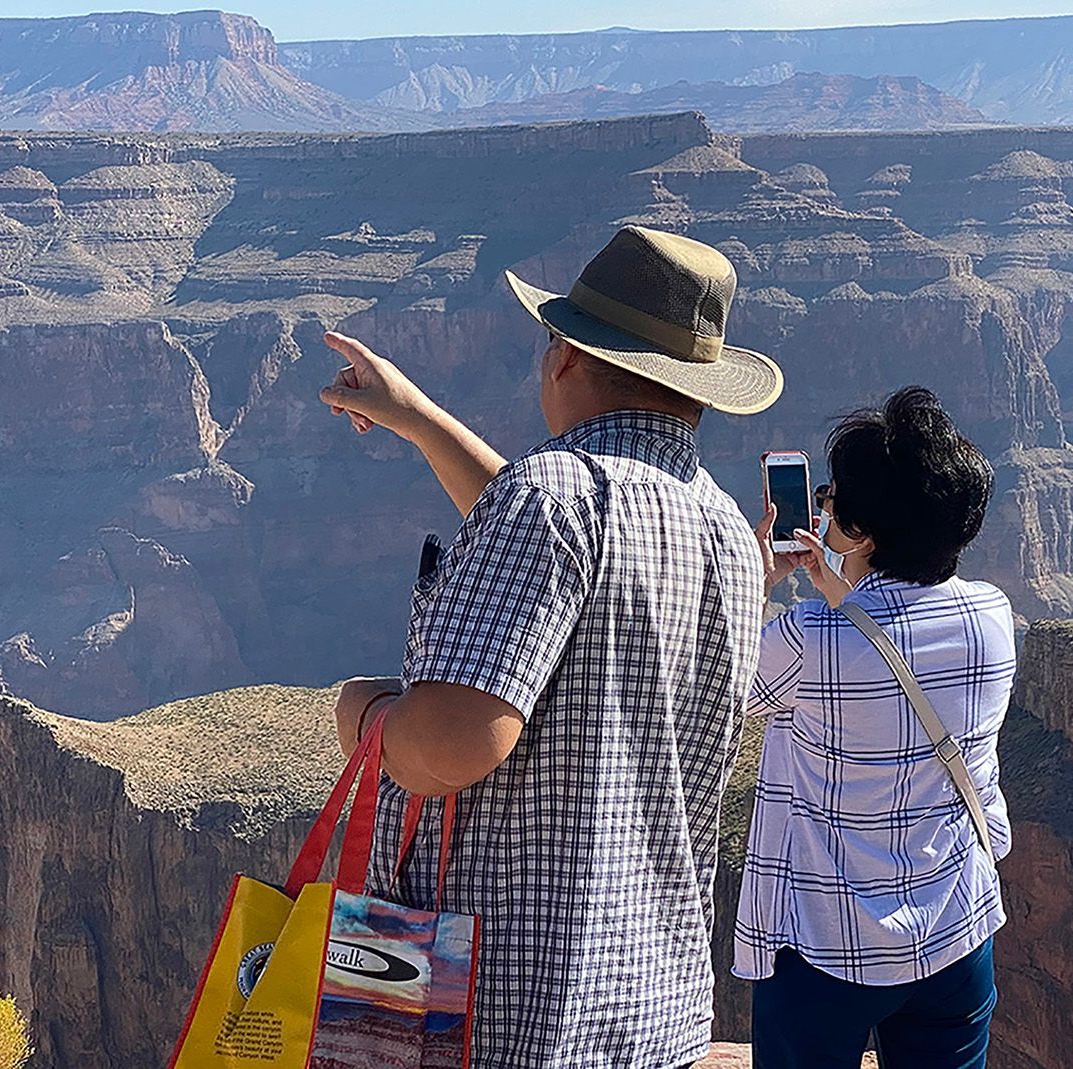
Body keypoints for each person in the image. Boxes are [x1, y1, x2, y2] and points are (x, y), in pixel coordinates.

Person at [316, 225, 783, 1068]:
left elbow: (458, 743)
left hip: (499, 1017)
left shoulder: (553, 498)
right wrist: (419, 421)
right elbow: (567, 561)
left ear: (566, 356)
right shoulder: (725, 532)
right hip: (649, 1009)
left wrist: (369, 714)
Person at [738, 387, 1014, 1069]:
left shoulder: (807, 641)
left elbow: (709, 682)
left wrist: (760, 579)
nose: (823, 509)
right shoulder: (993, 618)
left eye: (829, 500)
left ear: (859, 531)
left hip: (826, 954)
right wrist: (839, 589)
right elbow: (890, 641)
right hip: (953, 933)